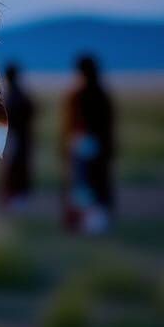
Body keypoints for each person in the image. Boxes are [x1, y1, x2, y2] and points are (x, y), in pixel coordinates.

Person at [61, 55, 116, 234]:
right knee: (94, 183)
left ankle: (85, 221)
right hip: (96, 149)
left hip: (80, 147)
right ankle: (94, 221)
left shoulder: (76, 95)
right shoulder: (102, 95)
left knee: (82, 183)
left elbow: (70, 124)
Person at [0, 63, 34, 210]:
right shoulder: (22, 95)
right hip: (23, 138)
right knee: (20, 167)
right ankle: (18, 198)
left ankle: (13, 199)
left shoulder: (11, 96)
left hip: (13, 138)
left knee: (12, 168)